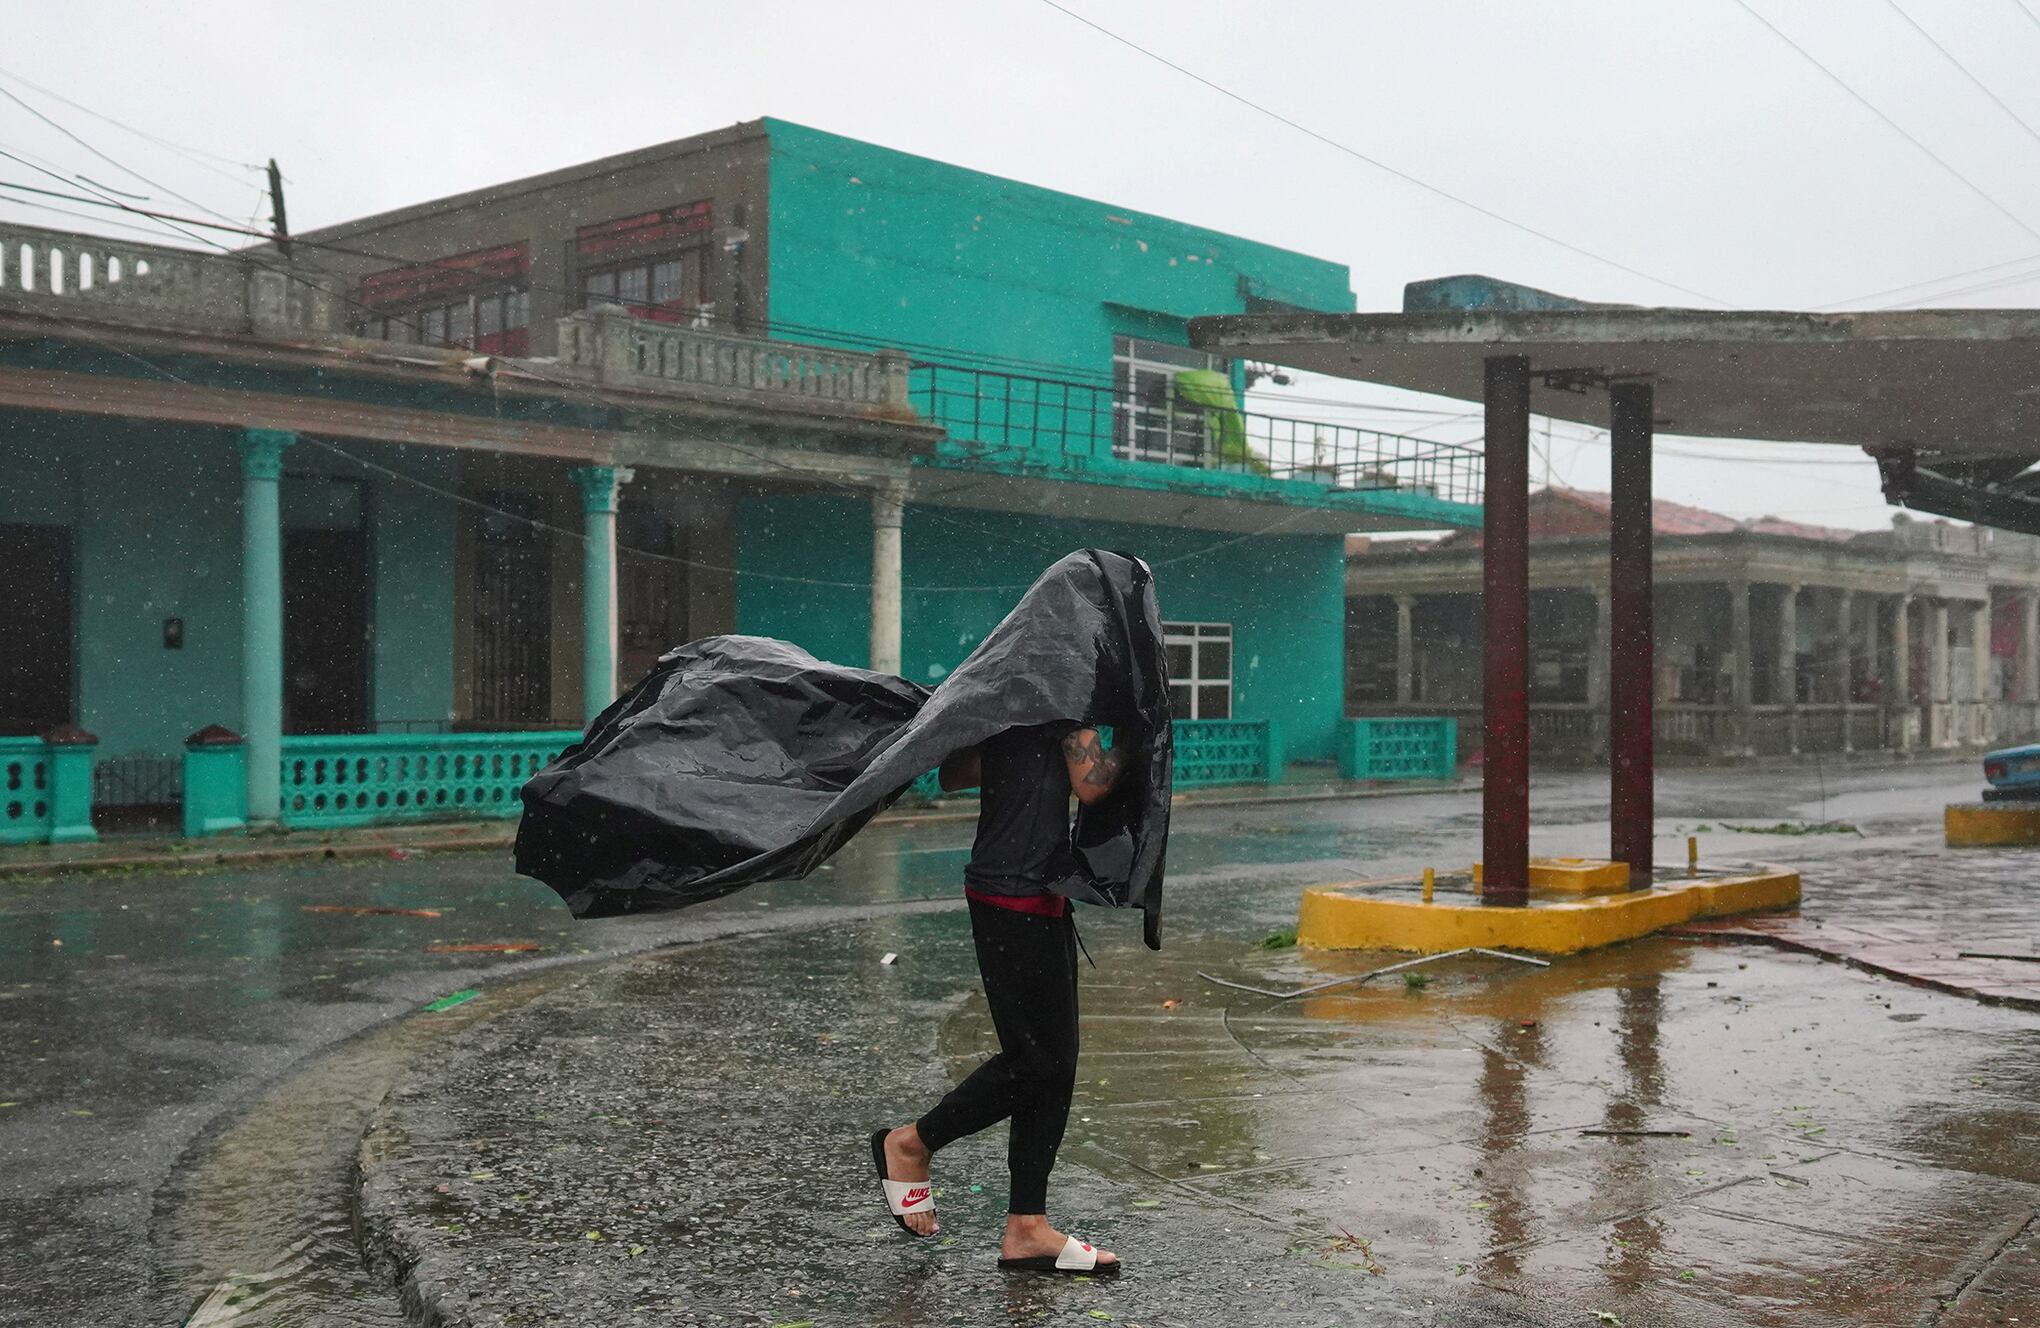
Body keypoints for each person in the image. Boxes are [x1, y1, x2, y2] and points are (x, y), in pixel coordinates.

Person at [869, 722, 1139, 1277]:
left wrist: (1014, 749)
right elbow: (1093, 785)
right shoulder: (1063, 709)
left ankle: (1027, 1227)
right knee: (1037, 1060)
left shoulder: (1005, 703)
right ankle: (913, 1142)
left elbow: (953, 773)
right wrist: (1139, 733)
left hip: (1021, 890)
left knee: (1054, 1062)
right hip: (1019, 895)